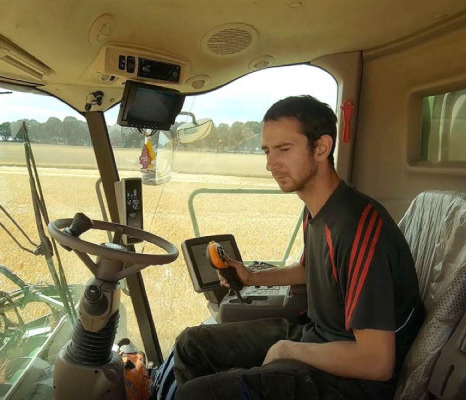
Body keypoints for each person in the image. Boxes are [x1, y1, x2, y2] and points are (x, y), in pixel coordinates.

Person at [173, 95, 423, 400]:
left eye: (283, 149)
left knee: (193, 396)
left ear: (321, 148)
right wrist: (251, 277)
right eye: (267, 151)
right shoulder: (318, 209)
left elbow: (376, 363)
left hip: (351, 381)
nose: (270, 164)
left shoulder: (356, 229)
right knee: (190, 345)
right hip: (317, 337)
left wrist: (287, 350)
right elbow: (308, 270)